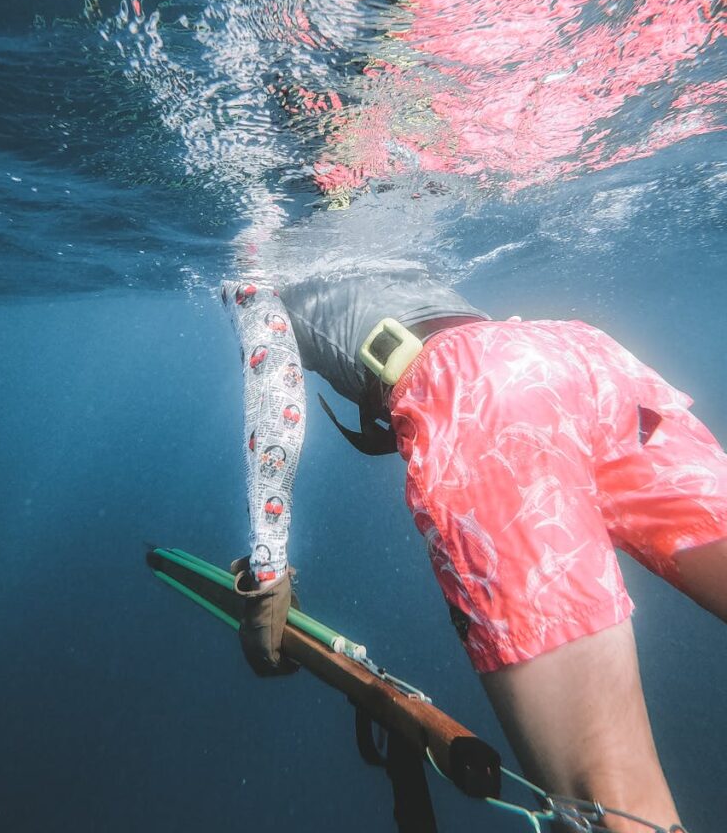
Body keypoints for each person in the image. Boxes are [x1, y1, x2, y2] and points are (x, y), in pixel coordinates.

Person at [220, 267, 727, 833]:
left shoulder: (252, 268)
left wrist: (266, 570)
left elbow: (275, 391)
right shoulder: (386, 222)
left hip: (481, 398)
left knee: (609, 803)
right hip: (574, 355)